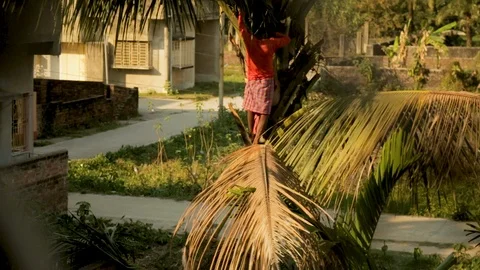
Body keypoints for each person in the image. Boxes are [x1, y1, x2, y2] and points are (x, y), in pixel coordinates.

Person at [238, 12, 291, 144]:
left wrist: (240, 14)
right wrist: (277, 34)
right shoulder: (271, 43)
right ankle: (256, 140)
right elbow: (287, 40)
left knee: (250, 107)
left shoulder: (250, 43)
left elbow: (242, 28)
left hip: (252, 80)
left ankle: (251, 134)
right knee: (264, 112)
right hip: (266, 81)